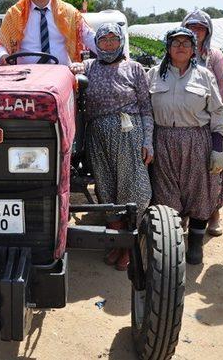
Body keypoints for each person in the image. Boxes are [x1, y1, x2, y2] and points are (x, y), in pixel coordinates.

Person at [69, 23, 153, 271]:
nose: (108, 44)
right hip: (97, 136)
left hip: (128, 133)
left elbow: (147, 109)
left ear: (120, 42)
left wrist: (148, 141)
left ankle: (127, 247)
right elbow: (72, 72)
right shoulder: (90, 67)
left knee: (132, 188)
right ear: (96, 43)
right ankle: (117, 242)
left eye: (113, 39)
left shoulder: (134, 68)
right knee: (106, 189)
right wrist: (73, 67)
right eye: (103, 40)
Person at [148, 27, 223, 265]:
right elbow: (144, 111)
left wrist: (217, 148)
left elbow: (218, 111)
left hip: (196, 140)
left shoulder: (204, 75)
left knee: (199, 192)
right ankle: (171, 242)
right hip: (162, 139)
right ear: (168, 48)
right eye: (175, 43)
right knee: (166, 192)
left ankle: (195, 243)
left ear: (193, 49)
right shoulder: (153, 74)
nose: (180, 47)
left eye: (186, 43)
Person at [182, 9, 223, 237]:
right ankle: (184, 215)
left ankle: (214, 214)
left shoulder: (215, 57)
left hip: (208, 122)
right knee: (185, 174)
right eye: (191, 27)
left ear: (207, 31)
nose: (195, 31)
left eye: (200, 27)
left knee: (212, 171)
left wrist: (209, 115)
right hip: (185, 124)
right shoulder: (177, 53)